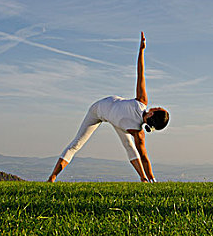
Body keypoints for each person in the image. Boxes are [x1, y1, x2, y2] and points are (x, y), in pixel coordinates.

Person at [47, 32, 169, 183]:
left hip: (99, 109)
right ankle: (146, 179)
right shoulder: (139, 132)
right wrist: (153, 179)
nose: (156, 106)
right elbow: (144, 157)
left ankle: (52, 177)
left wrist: (141, 50)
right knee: (130, 146)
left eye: (157, 108)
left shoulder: (141, 104)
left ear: (152, 114)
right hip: (106, 116)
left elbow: (140, 73)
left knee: (76, 144)